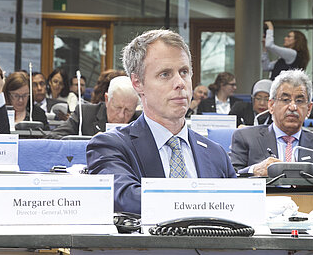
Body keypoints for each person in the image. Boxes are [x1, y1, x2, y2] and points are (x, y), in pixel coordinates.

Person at [87, 29, 235, 214]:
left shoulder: (216, 153)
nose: (180, 82)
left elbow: (238, 208)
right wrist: (205, 203)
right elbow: (125, 200)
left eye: (184, 72)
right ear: (137, 83)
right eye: (165, 74)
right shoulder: (111, 146)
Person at [230, 69, 313, 177]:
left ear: (309, 109)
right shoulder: (245, 138)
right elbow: (231, 176)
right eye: (285, 99)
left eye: (299, 101)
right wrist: (254, 170)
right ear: (271, 105)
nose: (292, 107)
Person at [48, 75, 140, 138]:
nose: (121, 115)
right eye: (117, 107)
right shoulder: (85, 114)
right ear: (107, 100)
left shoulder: (140, 121)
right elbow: (52, 138)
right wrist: (88, 143)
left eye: (128, 110)